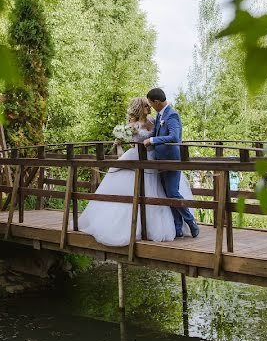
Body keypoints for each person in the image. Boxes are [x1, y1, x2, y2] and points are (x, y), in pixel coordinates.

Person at [78, 96, 195, 246]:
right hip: (137, 158)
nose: (149, 108)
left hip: (155, 158)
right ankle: (137, 226)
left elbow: (164, 136)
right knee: (137, 192)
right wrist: (120, 150)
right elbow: (119, 144)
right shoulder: (132, 126)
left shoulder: (154, 121)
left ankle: (178, 226)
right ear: (140, 108)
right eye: (146, 106)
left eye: (149, 105)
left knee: (164, 191)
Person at [143, 88, 200, 239]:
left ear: (157, 102)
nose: (150, 105)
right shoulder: (159, 115)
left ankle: (191, 221)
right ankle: (177, 227)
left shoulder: (172, 115)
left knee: (173, 193)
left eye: (150, 103)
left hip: (172, 160)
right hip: (160, 161)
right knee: (168, 195)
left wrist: (153, 140)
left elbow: (174, 137)